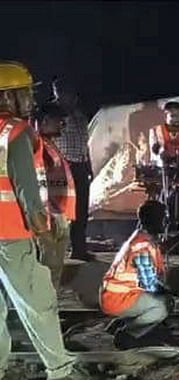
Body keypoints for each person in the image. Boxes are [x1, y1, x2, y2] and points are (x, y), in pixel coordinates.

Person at [0, 61, 99, 380]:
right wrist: (42, 228)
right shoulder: (16, 131)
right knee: (39, 301)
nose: (30, 99)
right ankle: (61, 371)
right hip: (11, 232)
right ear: (9, 96)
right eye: (25, 93)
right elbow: (25, 185)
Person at [99, 199, 172, 350]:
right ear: (154, 221)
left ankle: (123, 323)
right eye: (163, 219)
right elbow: (150, 285)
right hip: (118, 298)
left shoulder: (140, 238)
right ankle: (127, 336)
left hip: (116, 295)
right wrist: (177, 291)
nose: (166, 223)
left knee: (165, 299)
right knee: (162, 306)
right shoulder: (142, 246)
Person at [31, 102, 77, 291]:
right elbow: (40, 183)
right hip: (52, 217)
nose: (62, 126)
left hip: (60, 214)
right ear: (45, 121)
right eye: (59, 122)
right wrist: (52, 214)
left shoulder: (49, 145)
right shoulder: (37, 146)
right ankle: (44, 308)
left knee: (55, 266)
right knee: (49, 266)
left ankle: (50, 306)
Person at [51, 78, 94, 262]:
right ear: (57, 93)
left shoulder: (80, 116)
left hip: (80, 167)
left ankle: (78, 249)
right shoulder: (51, 115)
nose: (71, 97)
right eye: (66, 93)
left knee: (81, 210)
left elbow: (85, 144)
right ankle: (55, 250)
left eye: (73, 93)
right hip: (60, 168)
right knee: (59, 210)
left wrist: (88, 166)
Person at [149, 101, 179, 166]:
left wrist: (177, 161)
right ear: (165, 116)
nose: (177, 119)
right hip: (160, 169)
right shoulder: (155, 130)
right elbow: (155, 150)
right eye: (173, 116)